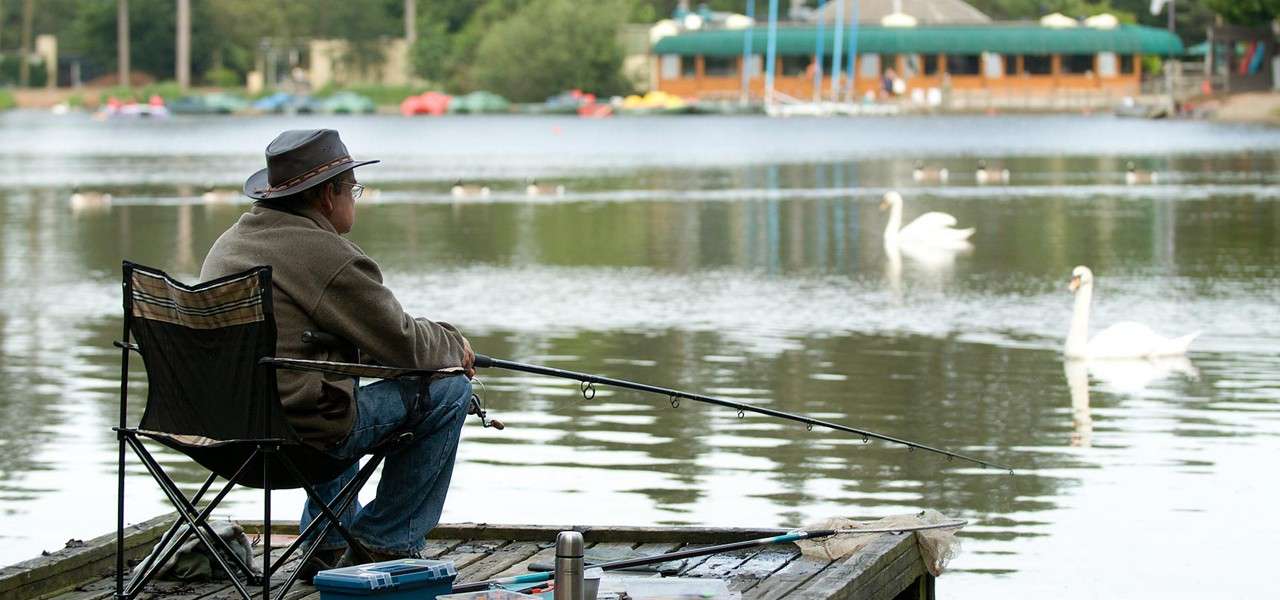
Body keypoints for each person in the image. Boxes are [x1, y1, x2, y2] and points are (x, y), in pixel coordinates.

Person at [200, 129, 476, 573]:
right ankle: (384, 543)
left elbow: (306, 344)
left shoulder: (230, 243)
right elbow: (402, 343)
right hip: (295, 439)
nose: (355, 198)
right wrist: (454, 344)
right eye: (353, 189)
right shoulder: (327, 255)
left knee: (326, 383)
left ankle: (326, 543)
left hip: (219, 435)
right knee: (449, 391)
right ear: (329, 195)